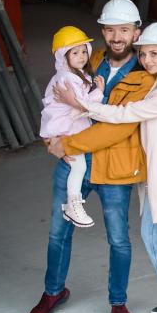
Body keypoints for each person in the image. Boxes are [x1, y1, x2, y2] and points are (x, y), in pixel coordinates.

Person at [53, 21, 157, 313]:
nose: (146, 60)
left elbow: (125, 115)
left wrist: (79, 104)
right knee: (152, 237)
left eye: (154, 54)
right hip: (155, 177)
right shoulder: (156, 84)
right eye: (143, 54)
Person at [27, 0, 153, 313]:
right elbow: (58, 101)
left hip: (115, 166)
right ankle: (53, 292)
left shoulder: (143, 77)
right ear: (102, 32)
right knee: (58, 232)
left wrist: (65, 144)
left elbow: (119, 127)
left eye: (123, 30)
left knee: (119, 239)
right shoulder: (89, 59)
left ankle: (118, 303)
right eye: (110, 30)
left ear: (136, 32)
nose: (116, 37)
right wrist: (51, 137)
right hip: (75, 164)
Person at [40, 25, 104, 228]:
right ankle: (73, 205)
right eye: (75, 53)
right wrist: (99, 91)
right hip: (66, 128)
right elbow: (83, 105)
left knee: (77, 165)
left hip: (66, 124)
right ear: (63, 56)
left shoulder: (71, 75)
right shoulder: (67, 78)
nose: (82, 56)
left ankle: (72, 204)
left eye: (84, 51)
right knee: (79, 166)